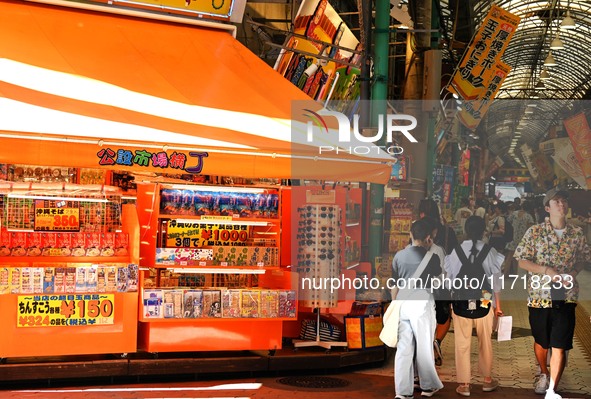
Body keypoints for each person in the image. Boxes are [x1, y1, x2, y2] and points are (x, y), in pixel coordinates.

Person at [514, 187, 590, 399]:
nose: (561, 204)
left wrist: (573, 272)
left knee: (560, 343)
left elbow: (584, 258)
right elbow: (522, 260)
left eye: (564, 201)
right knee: (542, 341)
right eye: (556, 201)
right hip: (540, 295)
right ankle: (544, 372)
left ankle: (552, 386)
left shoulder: (576, 233)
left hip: (566, 295)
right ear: (547, 208)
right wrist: (546, 270)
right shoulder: (535, 232)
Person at [445, 216, 504, 396]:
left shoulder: (455, 252)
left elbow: (449, 282)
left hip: (461, 300)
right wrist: (498, 306)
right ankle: (487, 380)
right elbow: (496, 282)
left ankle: (464, 385)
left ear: (465, 231)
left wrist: (450, 304)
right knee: (485, 341)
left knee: (462, 343)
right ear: (483, 231)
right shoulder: (490, 251)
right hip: (485, 299)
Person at [392, 219, 444, 398]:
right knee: (423, 346)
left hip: (402, 303)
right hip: (422, 304)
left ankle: (402, 392)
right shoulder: (432, 257)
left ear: (410, 235)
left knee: (403, 348)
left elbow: (394, 284)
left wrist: (395, 305)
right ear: (428, 237)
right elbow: (438, 279)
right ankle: (428, 386)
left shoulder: (398, 256)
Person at [504, 201, 534, 276]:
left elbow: (507, 221)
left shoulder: (514, 214)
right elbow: (530, 229)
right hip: (523, 239)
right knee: (526, 258)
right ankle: (527, 274)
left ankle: (505, 273)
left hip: (513, 237)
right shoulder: (528, 216)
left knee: (510, 257)